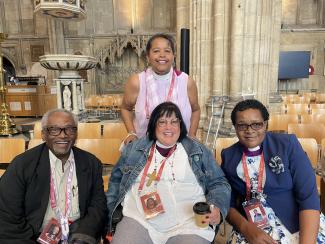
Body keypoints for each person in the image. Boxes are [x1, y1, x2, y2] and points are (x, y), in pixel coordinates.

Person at [106, 102, 231, 244]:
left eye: (174, 122)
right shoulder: (134, 149)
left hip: (188, 223)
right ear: (153, 125)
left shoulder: (198, 151)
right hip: (139, 219)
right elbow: (115, 181)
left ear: (180, 126)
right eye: (162, 122)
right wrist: (111, 217)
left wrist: (218, 208)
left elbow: (219, 183)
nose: (168, 127)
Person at [221, 99, 324, 243]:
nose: (249, 130)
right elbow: (227, 203)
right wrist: (246, 228)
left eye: (257, 124)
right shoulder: (229, 155)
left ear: (266, 124)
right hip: (254, 225)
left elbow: (308, 197)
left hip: (297, 223)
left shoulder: (287, 145)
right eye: (242, 125)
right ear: (235, 127)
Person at [0, 108, 108, 243]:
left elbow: (98, 206)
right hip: (33, 236)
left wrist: (84, 232)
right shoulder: (22, 165)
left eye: (69, 129)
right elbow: (7, 215)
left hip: (78, 233)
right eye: (54, 130)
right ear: (44, 134)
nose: (63, 135)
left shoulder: (91, 163)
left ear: (76, 134)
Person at [121, 33, 200, 144]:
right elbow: (125, 108)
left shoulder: (186, 81)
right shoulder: (136, 81)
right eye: (156, 51)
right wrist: (132, 133)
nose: (162, 55)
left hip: (180, 146)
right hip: (144, 146)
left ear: (173, 55)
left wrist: (192, 134)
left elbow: (196, 110)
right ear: (148, 56)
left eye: (167, 51)